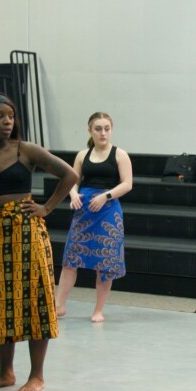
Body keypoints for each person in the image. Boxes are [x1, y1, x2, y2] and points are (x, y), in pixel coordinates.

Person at [0, 92, 77, 391]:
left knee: (36, 299)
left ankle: (37, 375)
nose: (8, 121)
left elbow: (69, 174)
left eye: (11, 116)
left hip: (28, 231)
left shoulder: (26, 150)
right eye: (0, 116)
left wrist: (47, 208)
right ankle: (5, 373)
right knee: (1, 301)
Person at [54, 112, 133, 323]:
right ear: (90, 130)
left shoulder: (119, 155)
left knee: (105, 263)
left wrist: (106, 196)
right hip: (85, 210)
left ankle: (98, 309)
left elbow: (127, 184)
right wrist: (72, 194)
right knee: (71, 259)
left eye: (107, 128)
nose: (103, 133)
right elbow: (72, 179)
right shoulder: (82, 155)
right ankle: (59, 305)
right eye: (98, 128)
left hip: (107, 210)